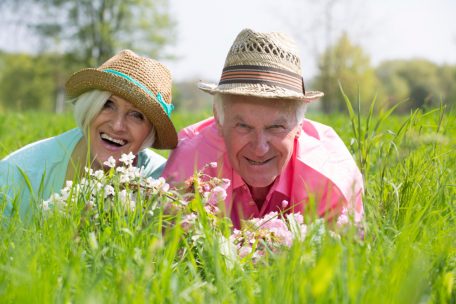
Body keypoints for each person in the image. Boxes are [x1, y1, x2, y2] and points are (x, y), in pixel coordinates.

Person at [163, 28, 364, 229]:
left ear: (299, 124)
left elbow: (336, 254)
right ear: (219, 121)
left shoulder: (329, 182)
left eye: (276, 127)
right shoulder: (189, 170)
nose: (260, 148)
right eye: (243, 126)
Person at [0, 50, 177, 219]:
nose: (117, 125)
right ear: (89, 106)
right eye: (108, 104)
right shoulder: (15, 175)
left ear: (150, 131)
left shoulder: (161, 182)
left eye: (137, 115)